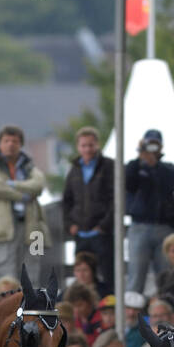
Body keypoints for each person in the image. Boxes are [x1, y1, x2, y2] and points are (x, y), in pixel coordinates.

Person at [0, 125, 48, 288]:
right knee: (5, 278)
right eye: (6, 141)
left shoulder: (29, 165)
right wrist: (24, 196)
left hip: (34, 229)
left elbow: (38, 185)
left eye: (15, 141)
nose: (10, 144)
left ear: (21, 144)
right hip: (2, 230)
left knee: (33, 275)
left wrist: (11, 185)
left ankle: (32, 311)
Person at [124, 129, 174, 294]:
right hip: (139, 227)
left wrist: (154, 165)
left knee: (165, 275)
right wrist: (140, 157)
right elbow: (127, 182)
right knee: (136, 275)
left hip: (164, 227)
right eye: (149, 144)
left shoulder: (168, 168)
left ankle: (166, 308)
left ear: (161, 146)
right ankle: (131, 313)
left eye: (155, 144)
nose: (152, 148)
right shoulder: (134, 166)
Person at [61, 125, 115, 293]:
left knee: (107, 275)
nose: (88, 149)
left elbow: (116, 199)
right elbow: (67, 200)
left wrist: (104, 225)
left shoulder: (108, 166)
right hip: (81, 233)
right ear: (78, 147)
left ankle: (109, 309)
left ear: (97, 145)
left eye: (91, 145)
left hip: (101, 232)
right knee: (82, 276)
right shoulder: (75, 169)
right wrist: (69, 224)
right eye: (84, 145)